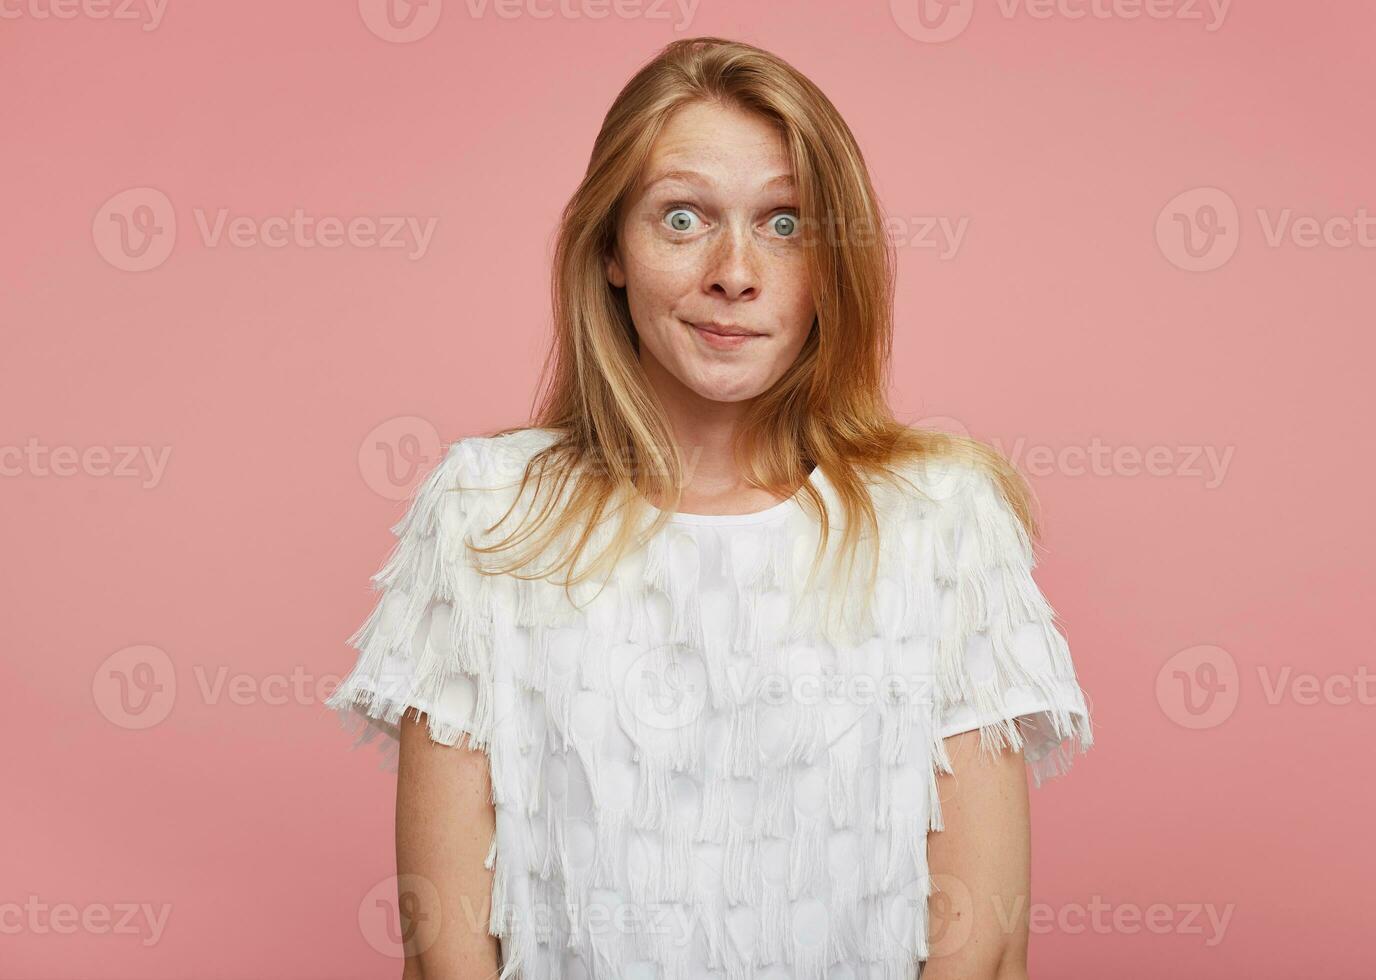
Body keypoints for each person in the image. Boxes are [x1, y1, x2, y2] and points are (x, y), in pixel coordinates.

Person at [324, 35, 1093, 980]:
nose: (735, 271)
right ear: (610, 249)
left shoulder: (944, 521)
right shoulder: (486, 514)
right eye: (682, 218)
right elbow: (445, 955)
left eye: (785, 223)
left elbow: (985, 951)